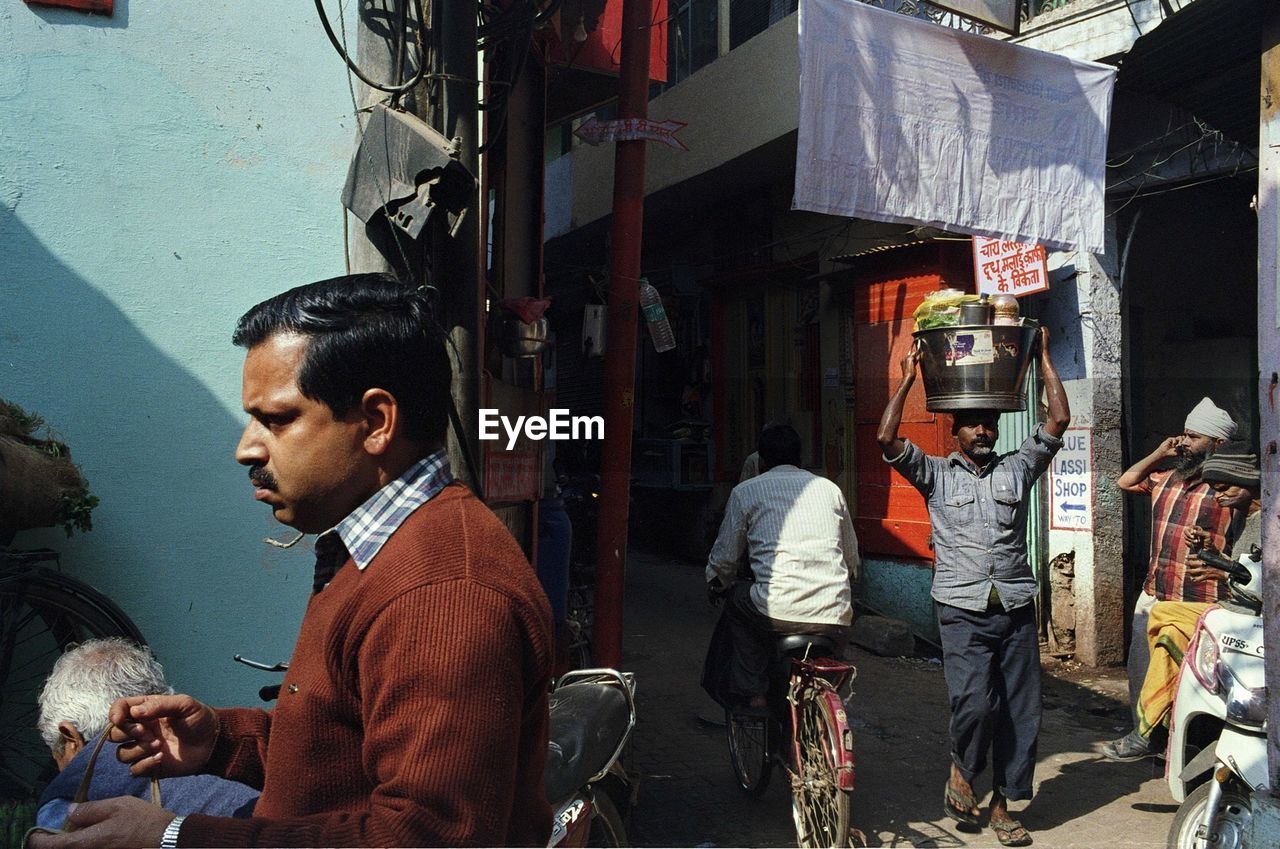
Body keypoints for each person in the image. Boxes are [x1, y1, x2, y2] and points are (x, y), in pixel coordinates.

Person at [29, 274, 554, 849]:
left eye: (277, 420)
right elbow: (350, 752)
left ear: (376, 421)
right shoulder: (382, 547)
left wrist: (175, 836)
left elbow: (426, 836)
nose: (247, 448)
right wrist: (223, 742)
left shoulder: (443, 590)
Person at [877, 326, 1070, 848]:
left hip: (1014, 606)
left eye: (990, 423)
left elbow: (1057, 420)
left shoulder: (1017, 468)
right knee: (975, 704)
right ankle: (962, 769)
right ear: (955, 430)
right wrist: (906, 379)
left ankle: (1003, 804)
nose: (984, 431)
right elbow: (887, 440)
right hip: (961, 609)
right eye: (974, 424)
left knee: (1020, 711)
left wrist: (1044, 359)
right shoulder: (936, 475)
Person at [1102, 397, 1236, 762]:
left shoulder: (1230, 490)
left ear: (1217, 444)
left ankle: (1186, 750)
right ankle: (1147, 739)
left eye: (1194, 437)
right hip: (1156, 593)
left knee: (1197, 681)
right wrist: (1159, 453)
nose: (1185, 443)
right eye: (1185, 435)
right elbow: (1125, 480)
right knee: (1143, 672)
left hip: (1202, 598)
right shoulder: (1166, 479)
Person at [1110, 445, 1262, 757]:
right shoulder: (1247, 517)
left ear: (1248, 483)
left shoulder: (1268, 523)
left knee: (1169, 631)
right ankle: (1153, 727)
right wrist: (1216, 556)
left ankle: (1147, 728)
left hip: (1249, 620)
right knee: (1163, 619)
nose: (1218, 497)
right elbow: (1245, 567)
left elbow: (1262, 582)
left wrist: (1220, 575)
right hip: (1225, 606)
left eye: (1224, 489)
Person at [702, 423, 860, 712]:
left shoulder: (745, 491)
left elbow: (725, 561)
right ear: (801, 458)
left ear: (761, 462)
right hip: (835, 613)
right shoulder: (830, 489)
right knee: (832, 652)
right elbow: (852, 560)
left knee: (737, 601)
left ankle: (753, 691)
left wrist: (717, 582)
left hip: (776, 609)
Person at [35, 638, 257, 830]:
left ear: (71, 739)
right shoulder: (243, 774)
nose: (60, 771)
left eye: (58, 759)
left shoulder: (65, 805)